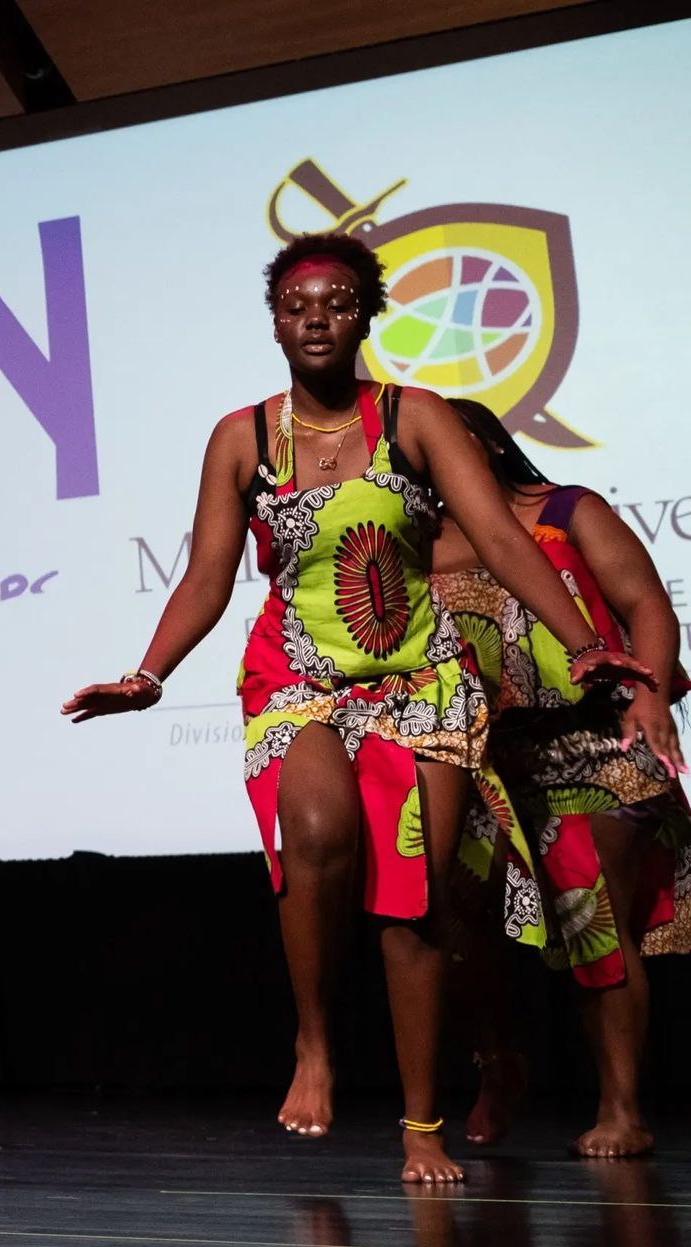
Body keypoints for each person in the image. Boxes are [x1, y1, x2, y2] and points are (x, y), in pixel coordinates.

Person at [61, 234, 654, 1184]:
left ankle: (424, 1122)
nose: (316, 319)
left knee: (413, 897)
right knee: (320, 824)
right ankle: (314, 1042)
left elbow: (501, 536)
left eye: (337, 303)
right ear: (275, 322)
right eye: (297, 307)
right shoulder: (241, 437)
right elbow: (210, 574)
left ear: (367, 315)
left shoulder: (412, 416)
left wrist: (583, 642)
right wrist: (151, 672)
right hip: (294, 678)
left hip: (422, 682)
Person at [431, 400, 689, 1158]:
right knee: (453, 918)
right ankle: (498, 1058)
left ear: (484, 444)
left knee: (591, 909)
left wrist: (648, 694)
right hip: (487, 760)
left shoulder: (566, 510)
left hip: (598, 739)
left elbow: (645, 601)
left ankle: (621, 1107)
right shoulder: (418, 543)